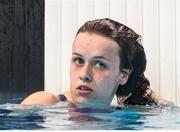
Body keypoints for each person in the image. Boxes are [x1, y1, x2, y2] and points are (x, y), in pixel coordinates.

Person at [21, 18, 174, 107]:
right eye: (78, 60)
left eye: (100, 64)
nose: (84, 75)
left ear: (123, 75)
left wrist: (145, 93)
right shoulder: (45, 104)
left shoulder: (125, 117)